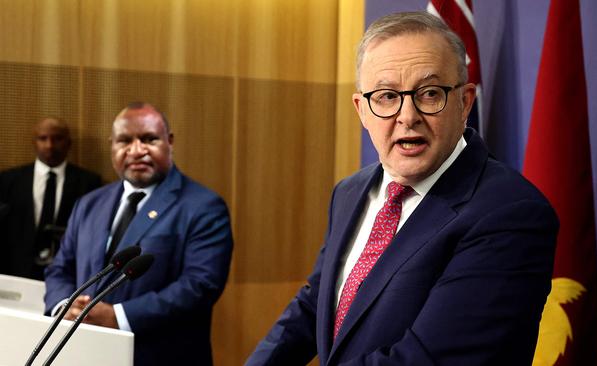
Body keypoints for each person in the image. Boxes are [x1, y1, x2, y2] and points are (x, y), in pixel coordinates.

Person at [247, 12, 558, 365]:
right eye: (386, 96)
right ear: (362, 109)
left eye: (428, 93)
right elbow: (318, 302)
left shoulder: (510, 213)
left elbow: (427, 359)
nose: (407, 116)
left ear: (465, 101)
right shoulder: (350, 192)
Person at [44, 102, 233, 365]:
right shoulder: (89, 203)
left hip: (160, 356)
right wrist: (65, 306)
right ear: (112, 146)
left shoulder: (203, 206)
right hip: (83, 352)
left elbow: (199, 286)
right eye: (125, 141)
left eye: (149, 139)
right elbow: (60, 269)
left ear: (170, 141)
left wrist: (118, 316)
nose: (137, 150)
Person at [0, 117, 102, 280]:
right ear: (34, 142)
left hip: (66, 274)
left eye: (57, 138)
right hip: (15, 272)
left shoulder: (89, 183)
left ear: (69, 143)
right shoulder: (7, 181)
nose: (50, 145)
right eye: (43, 138)